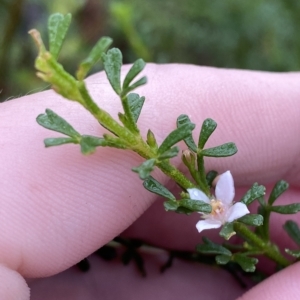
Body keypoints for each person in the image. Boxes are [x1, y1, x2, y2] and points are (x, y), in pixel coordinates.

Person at [0, 64, 299, 300]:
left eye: (220, 207)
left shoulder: (226, 208)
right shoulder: (208, 213)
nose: (218, 208)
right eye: (215, 208)